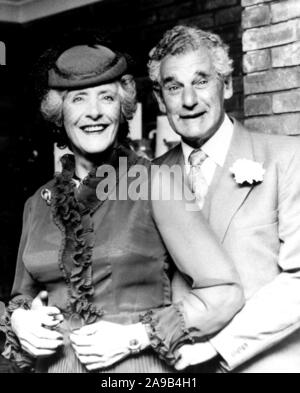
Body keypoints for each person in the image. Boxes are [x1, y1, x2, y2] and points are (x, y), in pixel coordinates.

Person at [1, 32, 243, 373]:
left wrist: (136, 336)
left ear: (123, 107)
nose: (95, 112)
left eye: (107, 98)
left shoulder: (157, 182)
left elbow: (224, 291)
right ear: (59, 113)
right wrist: (21, 322)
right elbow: (21, 298)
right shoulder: (37, 203)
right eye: (79, 99)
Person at [150, 25, 300, 373]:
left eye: (201, 81)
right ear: (160, 99)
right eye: (174, 87)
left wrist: (217, 348)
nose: (188, 100)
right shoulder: (145, 177)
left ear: (227, 85)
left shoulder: (288, 158)